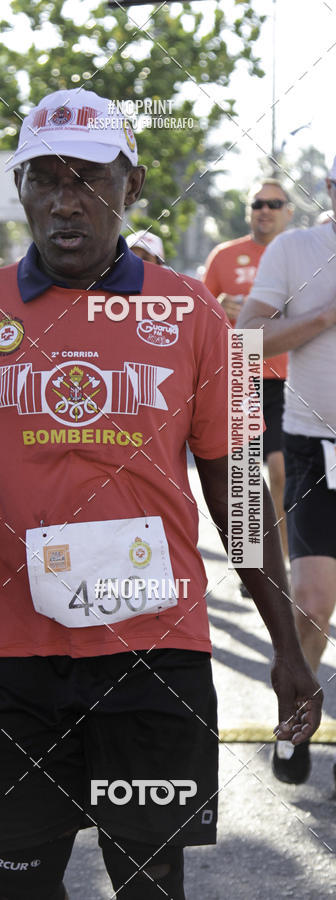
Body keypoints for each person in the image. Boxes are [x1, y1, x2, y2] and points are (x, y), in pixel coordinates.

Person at [0, 89, 321, 900]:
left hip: (156, 650)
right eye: (44, 179)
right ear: (18, 189)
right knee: (17, 881)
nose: (65, 202)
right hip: (13, 653)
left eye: (88, 179)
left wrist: (286, 649)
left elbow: (237, 489)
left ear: (132, 182)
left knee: (152, 881)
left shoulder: (191, 311)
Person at [238, 156, 336, 786]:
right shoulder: (298, 249)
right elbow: (243, 341)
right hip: (311, 446)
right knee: (314, 602)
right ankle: (296, 716)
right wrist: (326, 317)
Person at [203, 180, 294, 560]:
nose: (265, 209)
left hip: (286, 380)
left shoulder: (297, 256)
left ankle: (282, 560)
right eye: (258, 203)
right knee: (242, 477)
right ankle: (250, 557)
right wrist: (218, 305)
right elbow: (197, 312)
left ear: (288, 211)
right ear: (249, 210)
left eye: (274, 203)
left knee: (281, 472)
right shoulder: (225, 255)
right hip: (239, 375)